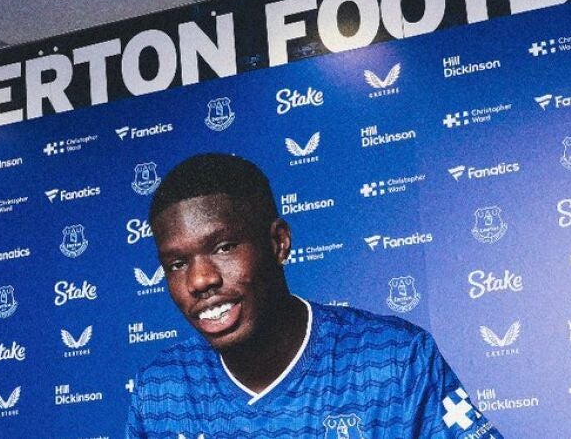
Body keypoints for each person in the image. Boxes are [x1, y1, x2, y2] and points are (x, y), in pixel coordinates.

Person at [126, 153, 501, 438]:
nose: (199, 280)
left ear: (279, 243)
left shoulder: (394, 359)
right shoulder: (159, 392)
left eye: (224, 247)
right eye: (177, 264)